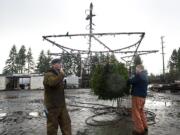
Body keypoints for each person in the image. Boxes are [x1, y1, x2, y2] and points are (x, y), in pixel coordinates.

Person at [43, 59, 71, 135]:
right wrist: (61, 74)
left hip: (61, 105)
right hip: (52, 106)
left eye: (60, 63)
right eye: (58, 63)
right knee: (52, 127)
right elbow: (52, 83)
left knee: (66, 124)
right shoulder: (48, 74)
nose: (60, 65)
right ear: (53, 65)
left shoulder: (57, 74)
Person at [128, 64, 148, 135]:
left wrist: (129, 76)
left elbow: (130, 81)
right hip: (143, 98)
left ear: (139, 69)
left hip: (137, 97)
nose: (136, 71)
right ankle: (145, 127)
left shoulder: (139, 75)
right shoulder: (145, 76)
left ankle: (139, 129)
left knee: (136, 113)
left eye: (136, 70)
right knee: (141, 112)